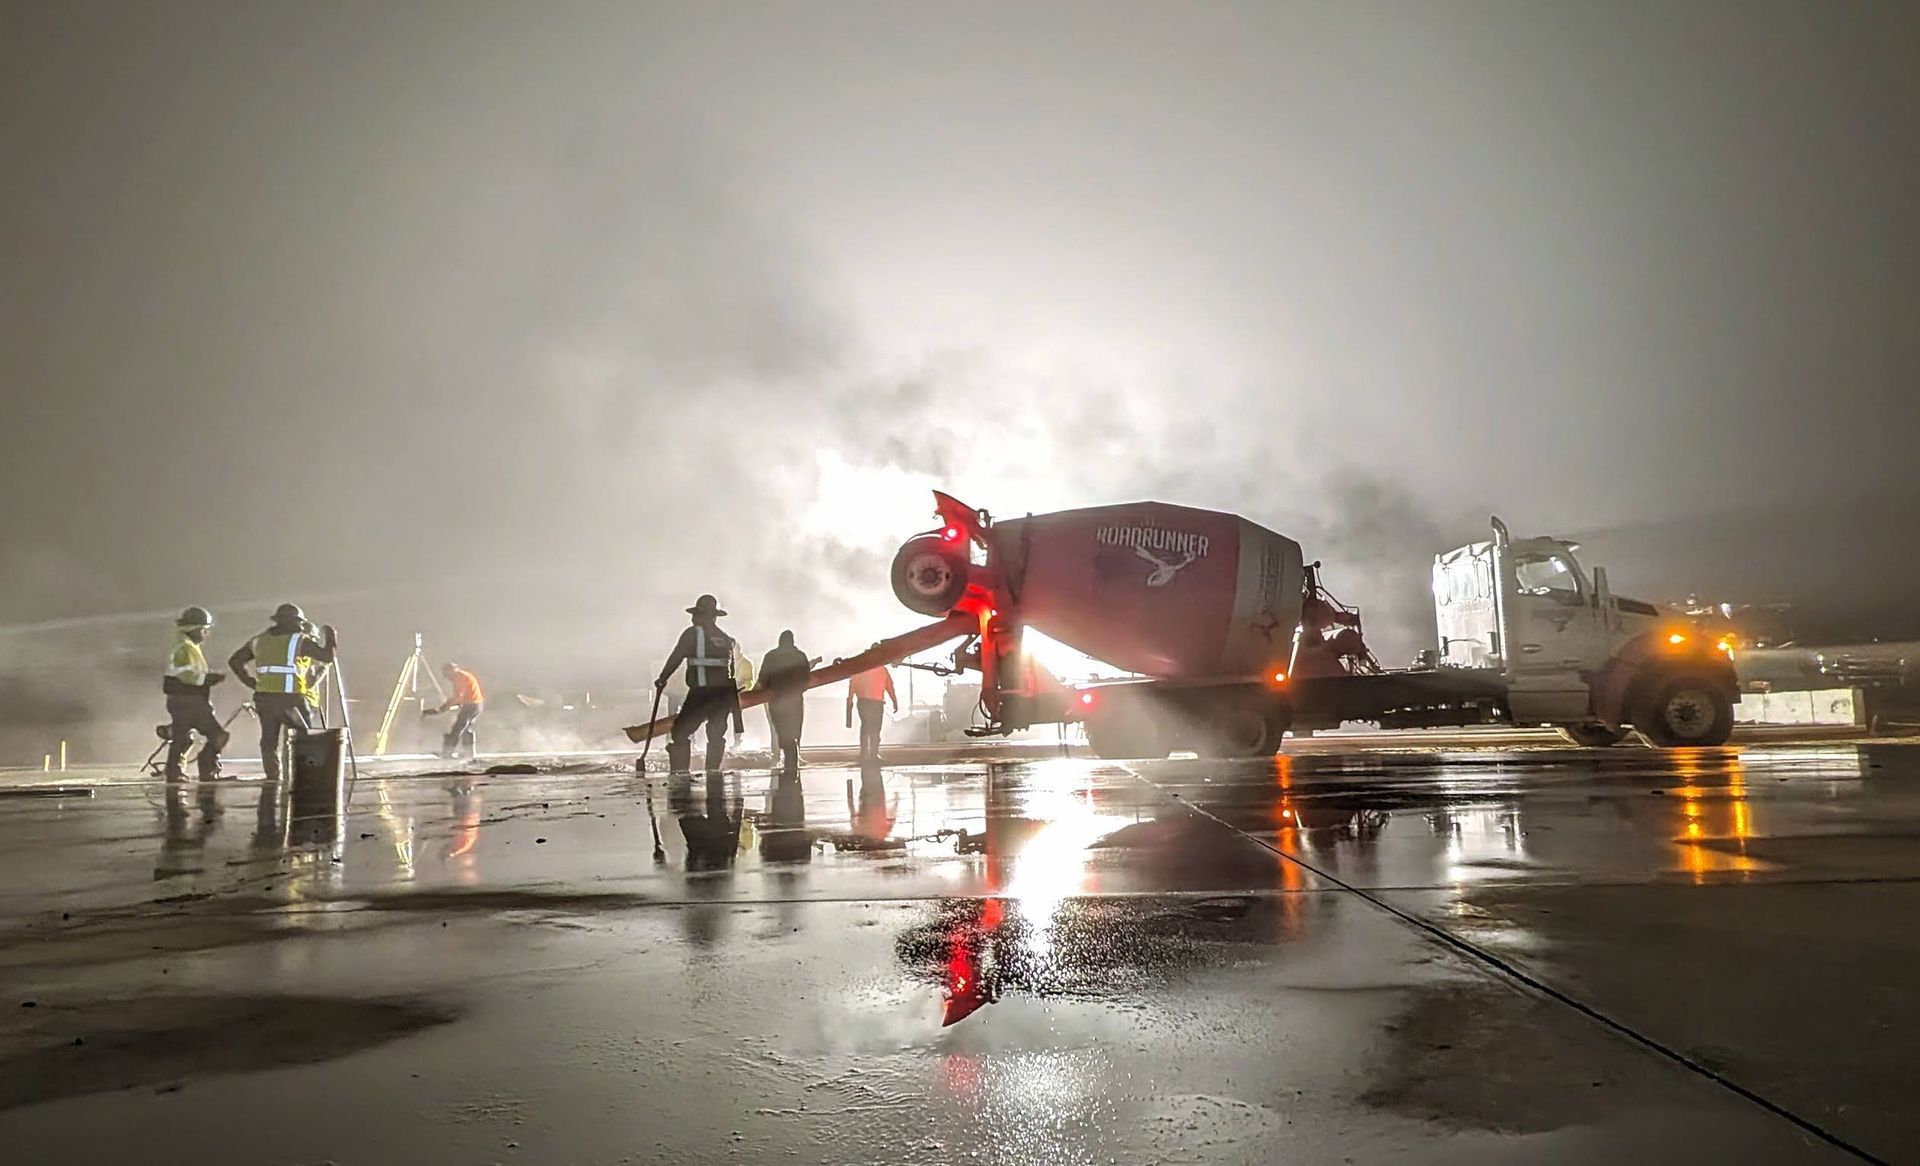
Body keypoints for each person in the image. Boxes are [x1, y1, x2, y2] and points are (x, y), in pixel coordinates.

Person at [229, 604, 336, 782]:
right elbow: (327, 657)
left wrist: (250, 682)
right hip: (291, 698)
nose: (302, 627)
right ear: (295, 622)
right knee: (304, 738)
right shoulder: (299, 641)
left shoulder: (259, 640)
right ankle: (305, 776)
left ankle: (273, 777)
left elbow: (235, 661)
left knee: (269, 740)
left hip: (264, 697)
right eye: (300, 623)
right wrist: (331, 637)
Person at [656, 594, 743, 773]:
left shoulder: (692, 634)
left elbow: (676, 656)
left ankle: (680, 773)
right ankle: (713, 773)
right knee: (716, 734)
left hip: (701, 693)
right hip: (724, 695)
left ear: (705, 615)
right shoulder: (726, 639)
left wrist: (662, 678)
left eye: (696, 614)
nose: (693, 618)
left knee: (680, 732)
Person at [162, 605, 228, 782]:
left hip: (181, 700)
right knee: (218, 735)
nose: (206, 634)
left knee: (182, 738)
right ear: (195, 628)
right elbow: (188, 675)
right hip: (190, 701)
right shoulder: (185, 647)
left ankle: (174, 772)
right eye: (205, 630)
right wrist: (209, 679)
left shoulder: (185, 644)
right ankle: (207, 770)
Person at [759, 630, 813, 773]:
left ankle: (790, 764)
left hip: (776, 700)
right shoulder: (800, 656)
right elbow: (807, 679)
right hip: (795, 701)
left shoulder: (770, 656)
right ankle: (792, 766)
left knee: (782, 734)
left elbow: (763, 679)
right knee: (794, 733)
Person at [847, 648, 898, 760]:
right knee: (875, 729)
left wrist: (850, 701)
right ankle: (873, 755)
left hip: (864, 702)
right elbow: (890, 686)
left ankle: (865, 754)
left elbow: (852, 685)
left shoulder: (860, 669)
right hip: (875, 703)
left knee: (866, 727)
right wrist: (894, 701)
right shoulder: (882, 670)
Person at [427, 662, 485, 758]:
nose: (445, 676)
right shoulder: (464, 675)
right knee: (466, 728)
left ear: (451, 671)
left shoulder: (459, 677)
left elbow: (458, 696)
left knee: (457, 729)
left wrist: (443, 708)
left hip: (471, 705)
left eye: (445, 673)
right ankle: (469, 753)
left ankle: (448, 752)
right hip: (476, 705)